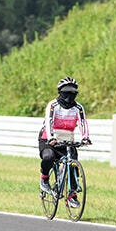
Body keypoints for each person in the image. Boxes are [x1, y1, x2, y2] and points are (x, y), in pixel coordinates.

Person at [38, 77, 91, 206]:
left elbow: (83, 122)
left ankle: (72, 195)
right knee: (49, 157)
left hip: (67, 139)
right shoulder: (53, 105)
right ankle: (44, 179)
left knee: (73, 163)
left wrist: (85, 137)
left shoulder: (78, 107)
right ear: (60, 92)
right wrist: (51, 138)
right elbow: (48, 121)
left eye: (72, 93)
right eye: (66, 92)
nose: (69, 96)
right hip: (49, 138)